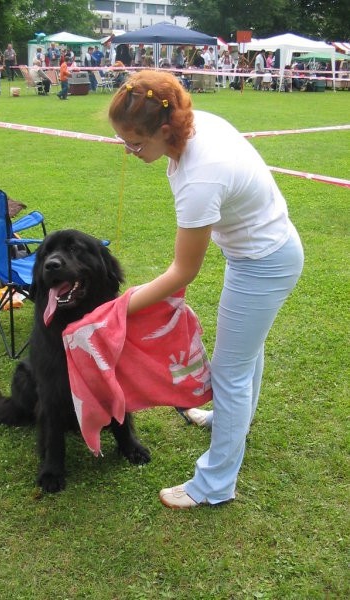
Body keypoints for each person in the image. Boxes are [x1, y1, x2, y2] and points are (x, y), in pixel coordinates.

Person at [108, 70, 304, 508]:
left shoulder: (201, 175)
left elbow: (182, 272)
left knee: (230, 371)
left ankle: (215, 484)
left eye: (136, 142)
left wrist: (120, 308)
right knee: (244, 355)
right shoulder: (191, 124)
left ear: (165, 129)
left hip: (265, 262)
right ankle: (232, 421)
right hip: (260, 252)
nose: (129, 150)